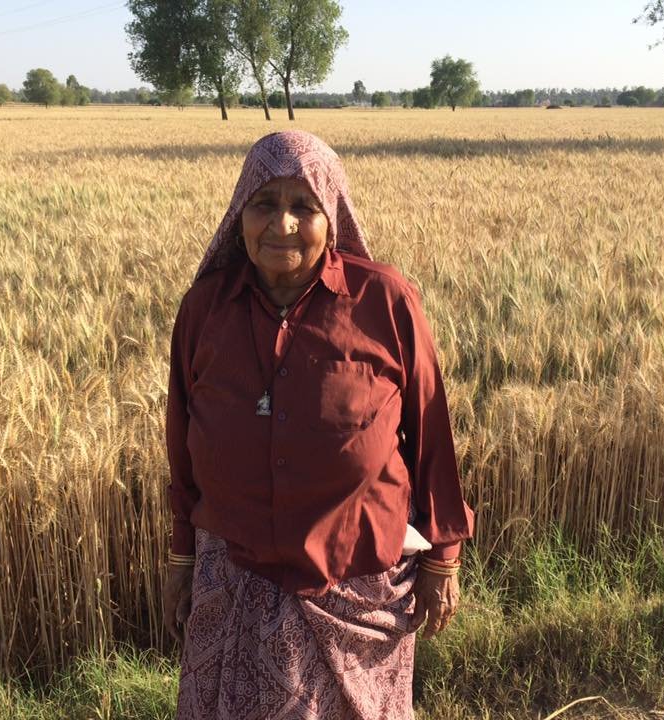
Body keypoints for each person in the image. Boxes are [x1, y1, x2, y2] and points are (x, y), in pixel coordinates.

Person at [165, 130, 474, 719]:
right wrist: (181, 559)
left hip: (356, 583)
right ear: (239, 215)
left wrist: (443, 557)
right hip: (234, 576)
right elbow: (183, 447)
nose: (281, 225)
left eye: (303, 206)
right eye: (264, 203)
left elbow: (432, 435)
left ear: (332, 216)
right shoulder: (204, 310)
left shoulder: (384, 301)